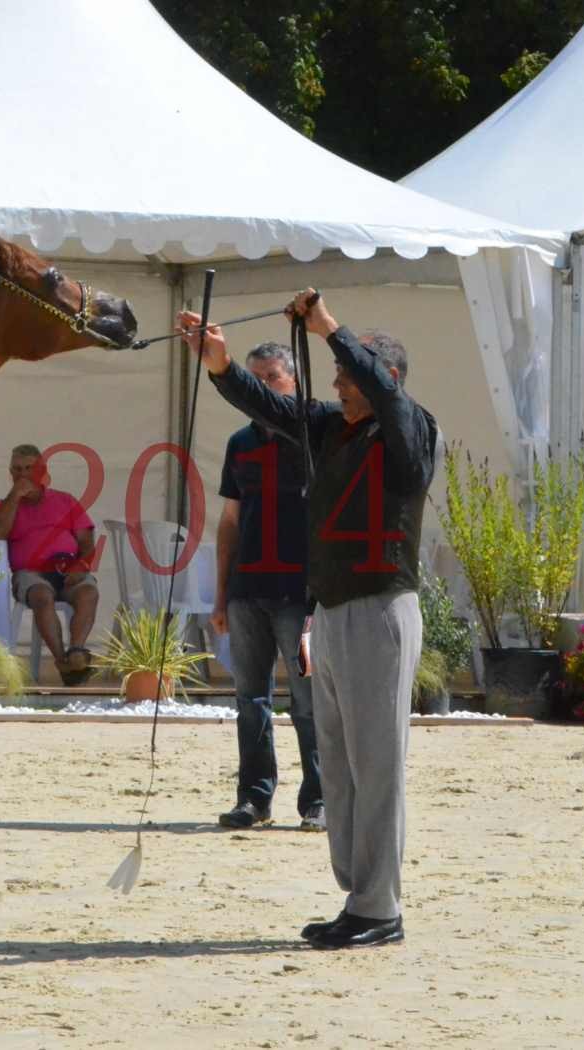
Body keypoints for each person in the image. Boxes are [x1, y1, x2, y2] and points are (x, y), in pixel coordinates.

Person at [181, 289, 439, 950]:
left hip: (380, 608)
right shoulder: (331, 428)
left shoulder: (410, 429)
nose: (339, 388)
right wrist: (220, 365)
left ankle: (379, 907)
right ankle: (360, 895)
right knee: (343, 755)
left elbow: (381, 395)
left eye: (350, 379)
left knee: (376, 761)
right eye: (337, 381)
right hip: (330, 610)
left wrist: (328, 328)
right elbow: (271, 407)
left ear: (386, 380)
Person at [210, 343, 324, 832]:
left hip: (300, 595)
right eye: (254, 378)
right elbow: (229, 523)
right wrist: (220, 595)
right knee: (249, 699)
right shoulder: (240, 443)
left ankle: (319, 800)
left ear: (294, 383)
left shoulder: (313, 438)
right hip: (247, 590)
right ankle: (254, 798)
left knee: (309, 702)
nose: (260, 387)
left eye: (272, 377)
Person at [0, 443, 99, 685]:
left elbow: (87, 543)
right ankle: (63, 662)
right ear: (10, 473)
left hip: (68, 569)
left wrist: (81, 565)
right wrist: (15, 497)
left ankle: (77, 651)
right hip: (30, 575)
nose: (22, 474)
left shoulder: (65, 501)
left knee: (89, 591)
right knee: (41, 596)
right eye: (16, 469)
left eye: (29, 468)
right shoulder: (2, 506)